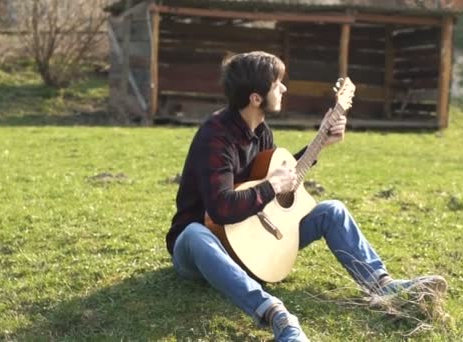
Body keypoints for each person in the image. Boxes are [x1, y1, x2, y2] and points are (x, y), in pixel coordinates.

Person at [165, 51, 447, 341]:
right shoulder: (215, 136)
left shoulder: (261, 131)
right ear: (255, 98)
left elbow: (276, 180)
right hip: (203, 252)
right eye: (277, 83)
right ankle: (276, 315)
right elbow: (222, 208)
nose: (284, 88)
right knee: (195, 234)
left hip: (252, 244)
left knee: (332, 211)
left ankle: (383, 286)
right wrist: (271, 186)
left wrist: (320, 141)